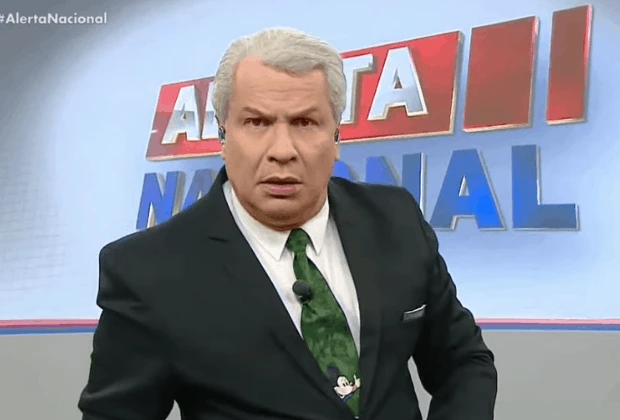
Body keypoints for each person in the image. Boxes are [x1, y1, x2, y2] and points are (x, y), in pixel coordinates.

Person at [78, 27, 497, 420]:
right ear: (223, 137)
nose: (282, 150)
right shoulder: (147, 272)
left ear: (337, 137)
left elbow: (463, 361)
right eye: (257, 123)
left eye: (304, 123)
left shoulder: (395, 219)